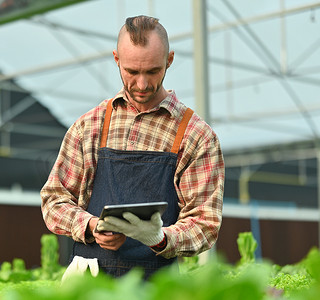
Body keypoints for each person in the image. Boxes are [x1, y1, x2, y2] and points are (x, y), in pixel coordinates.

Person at [40, 15, 224, 279]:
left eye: (152, 71)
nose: (142, 84)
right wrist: (91, 226)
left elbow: (205, 223)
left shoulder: (195, 136)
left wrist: (160, 238)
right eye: (132, 71)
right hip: (89, 285)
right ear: (117, 59)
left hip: (158, 287)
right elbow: (54, 200)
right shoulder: (89, 126)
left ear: (169, 60)